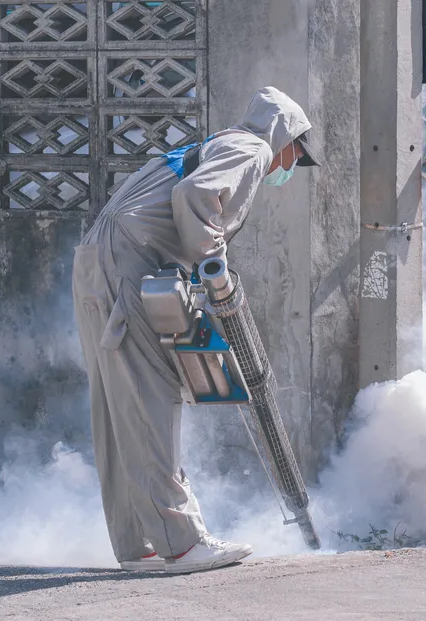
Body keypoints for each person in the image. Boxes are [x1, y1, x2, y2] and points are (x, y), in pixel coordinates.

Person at [71, 86, 319, 574]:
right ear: (286, 138)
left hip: (97, 265)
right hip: (128, 266)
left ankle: (138, 544)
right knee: (149, 401)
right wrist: (213, 262)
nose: (288, 167)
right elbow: (195, 195)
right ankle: (182, 544)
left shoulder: (212, 144)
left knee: (119, 409)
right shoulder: (252, 148)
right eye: (296, 155)